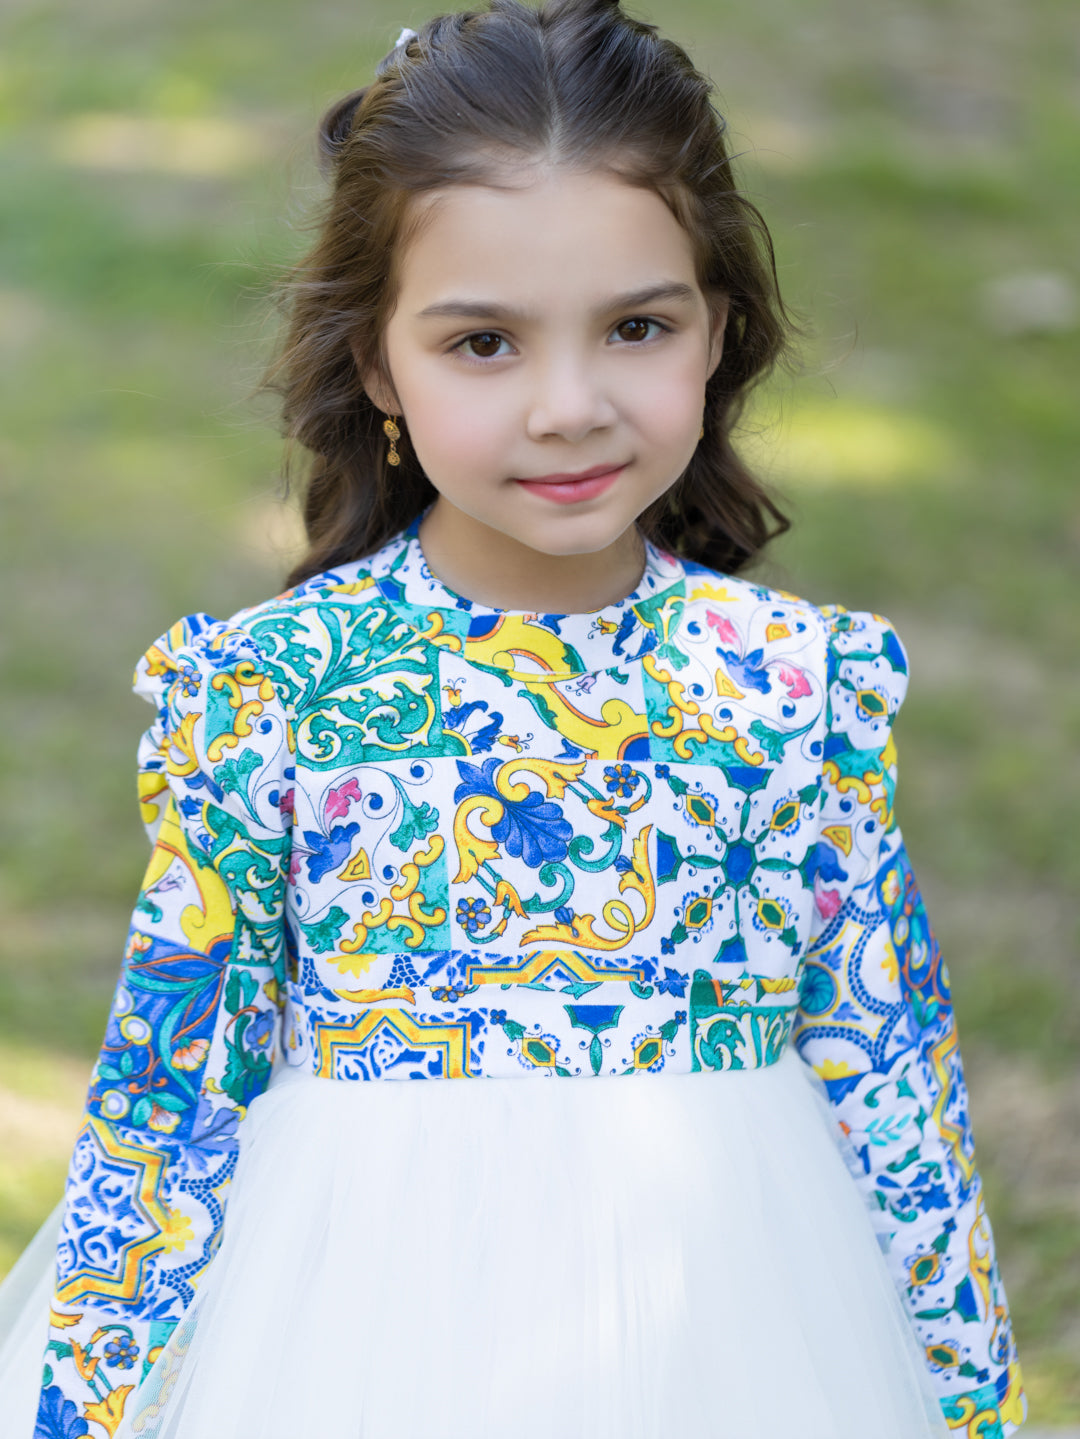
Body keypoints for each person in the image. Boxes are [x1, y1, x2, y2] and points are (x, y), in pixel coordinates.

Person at [0, 1, 1027, 1435]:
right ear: (379, 365)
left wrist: (972, 1401)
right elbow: (169, 1095)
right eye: (484, 343)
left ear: (718, 332)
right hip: (369, 1348)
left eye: (637, 328)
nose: (568, 406)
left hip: (727, 1333)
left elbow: (894, 1075)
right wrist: (80, 1409)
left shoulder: (795, 686)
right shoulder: (272, 692)